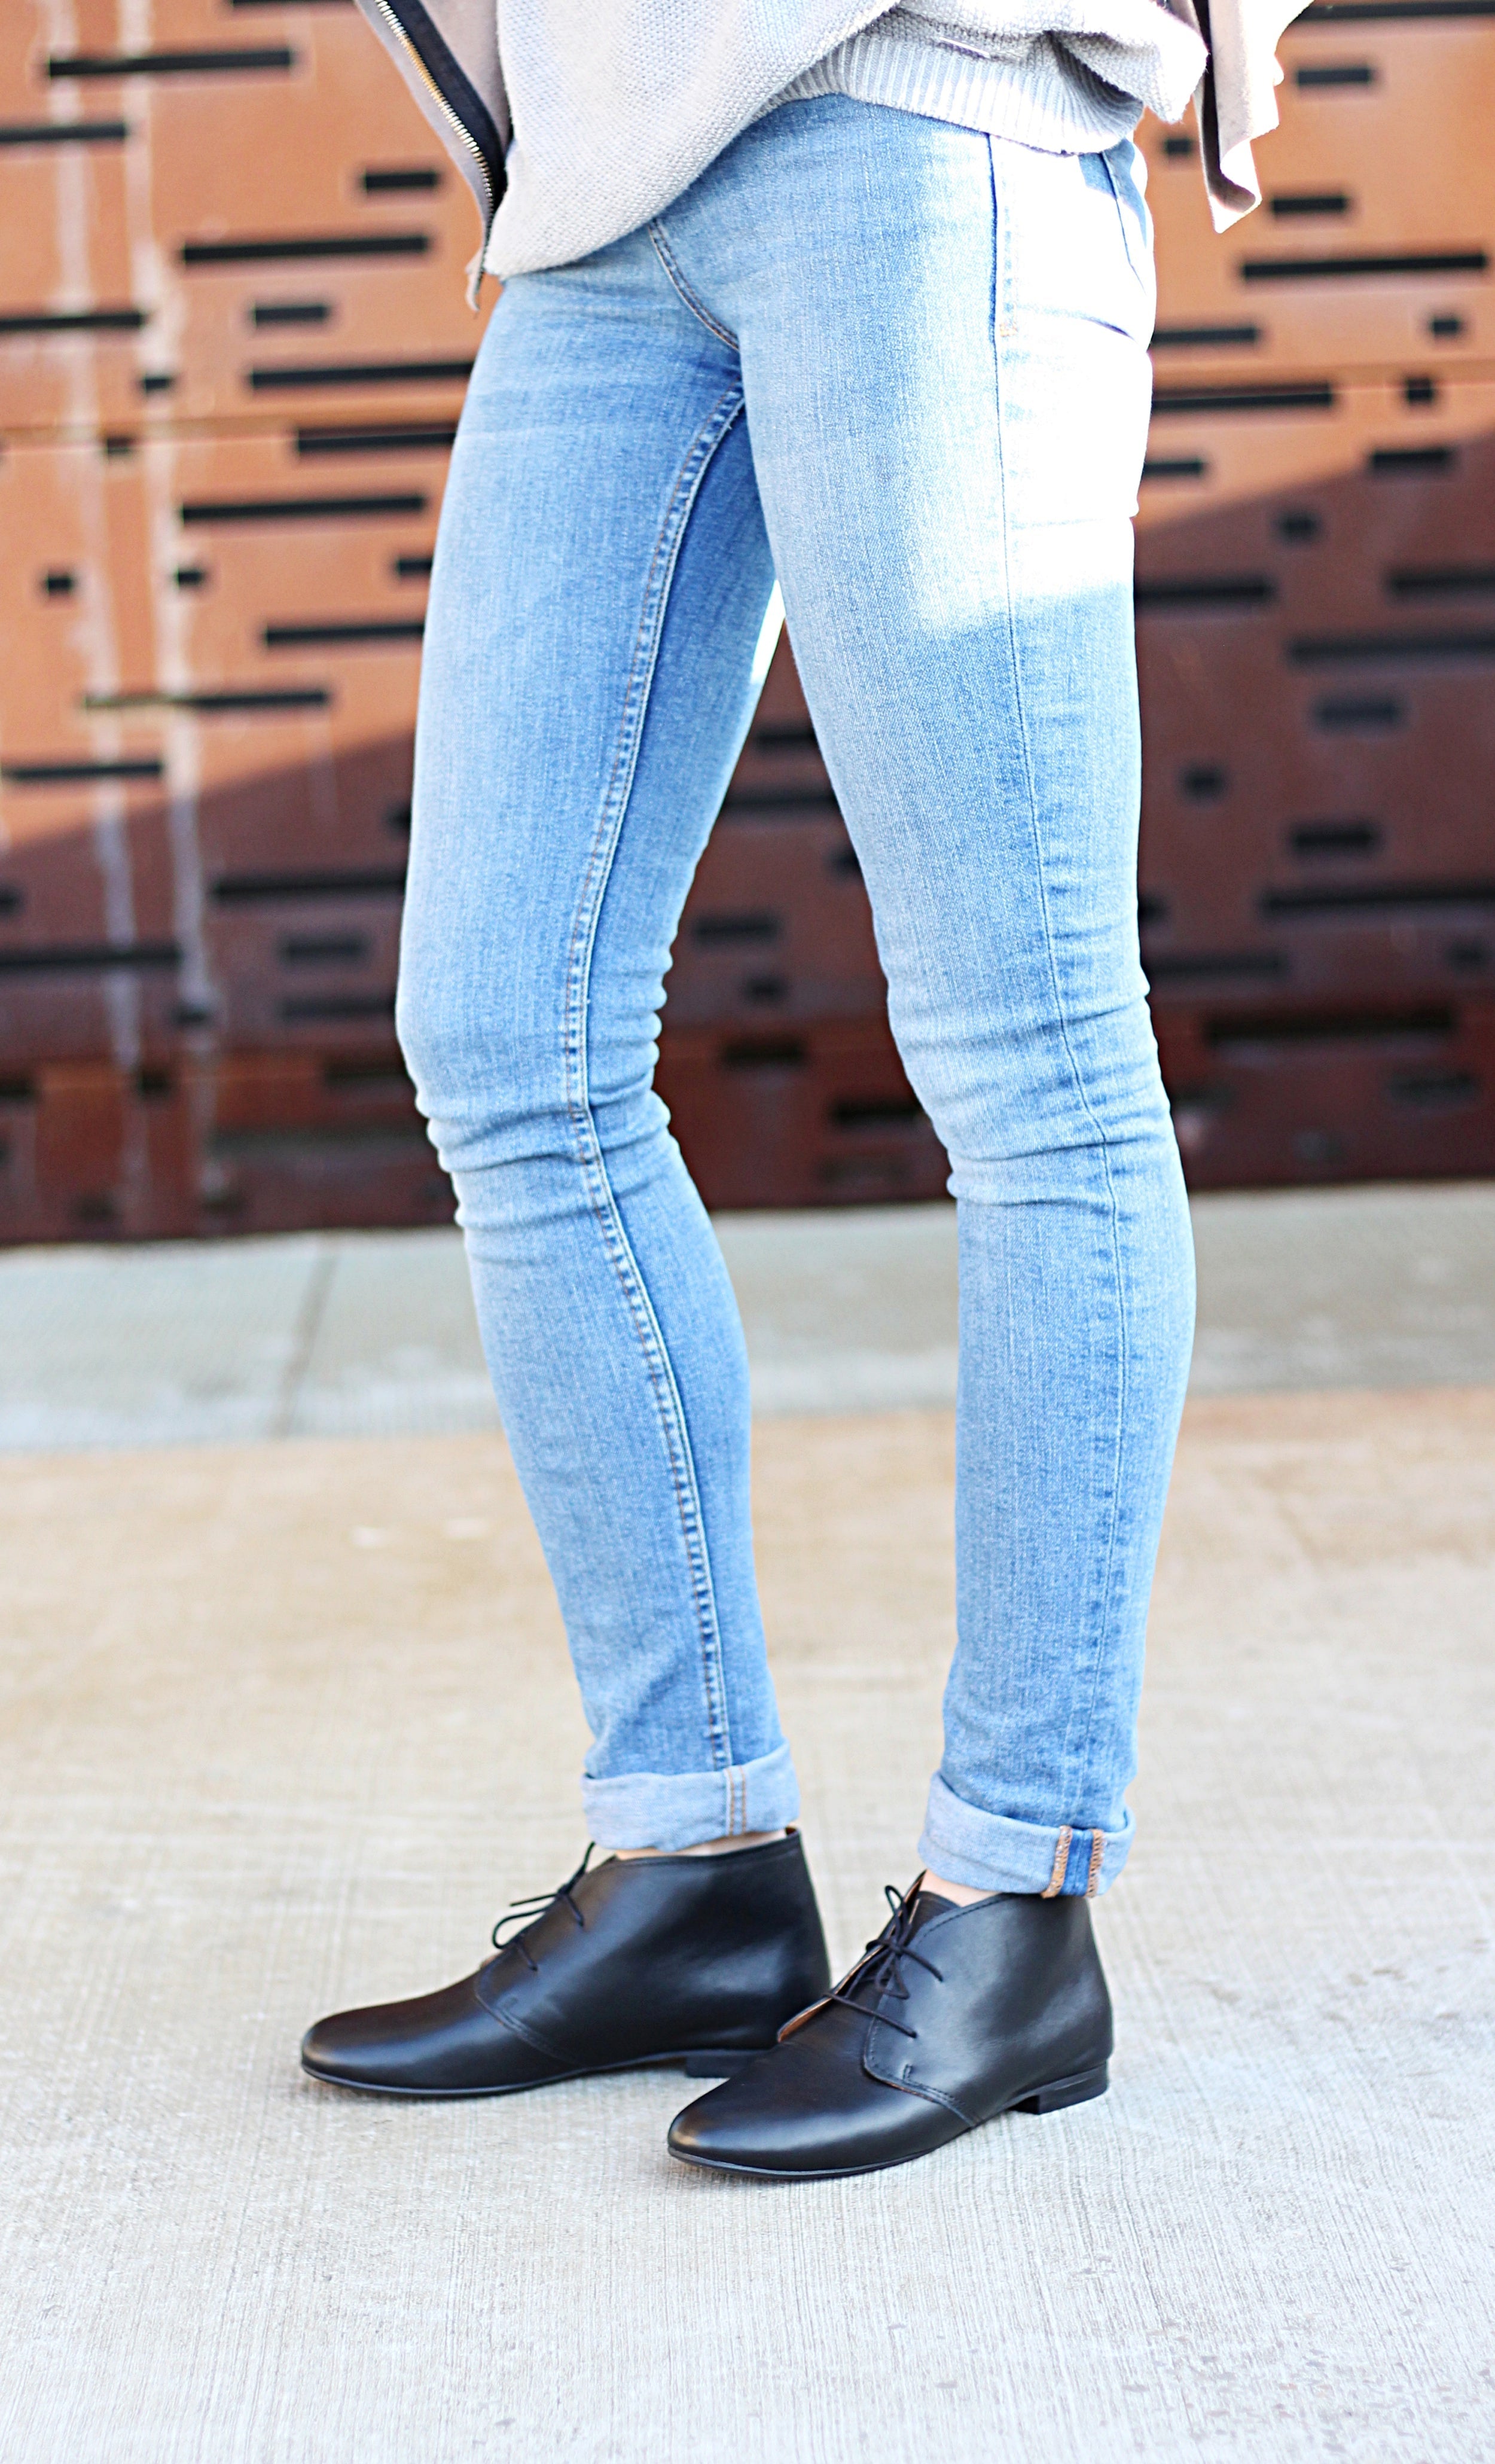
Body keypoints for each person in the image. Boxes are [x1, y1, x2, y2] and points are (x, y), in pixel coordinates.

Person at [301, 0, 1303, 2180]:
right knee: (505, 1034)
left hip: (925, 116)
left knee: (1028, 1051)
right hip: (602, 192)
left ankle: (1015, 1900)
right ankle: (689, 1866)